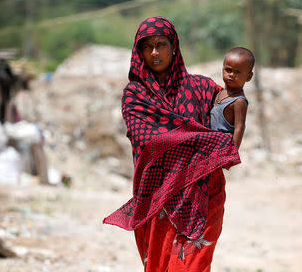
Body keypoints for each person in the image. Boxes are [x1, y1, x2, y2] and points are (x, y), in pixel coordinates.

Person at [103, 16, 242, 271]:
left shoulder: (202, 87)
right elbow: (149, 140)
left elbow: (228, 115)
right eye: (147, 46)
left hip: (205, 193)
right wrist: (208, 142)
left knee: (193, 266)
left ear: (174, 46)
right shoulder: (135, 94)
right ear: (139, 52)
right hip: (158, 197)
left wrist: (237, 100)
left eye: (161, 44)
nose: (154, 52)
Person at [210, 47, 254, 149]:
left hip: (220, 147)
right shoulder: (219, 92)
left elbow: (239, 128)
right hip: (209, 143)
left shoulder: (239, 101)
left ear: (249, 77)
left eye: (237, 72)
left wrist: (231, 153)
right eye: (228, 70)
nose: (231, 75)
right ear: (222, 70)